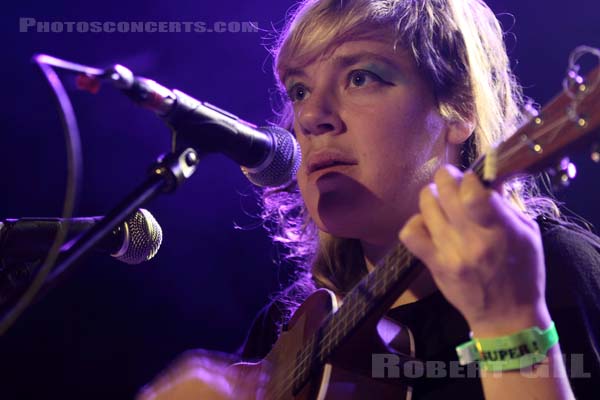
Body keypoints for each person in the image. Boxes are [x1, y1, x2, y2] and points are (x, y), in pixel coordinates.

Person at [138, 0, 600, 398]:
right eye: (299, 91)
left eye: (361, 77)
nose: (313, 117)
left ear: (460, 109)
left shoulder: (557, 273)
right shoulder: (284, 334)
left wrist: (509, 321)